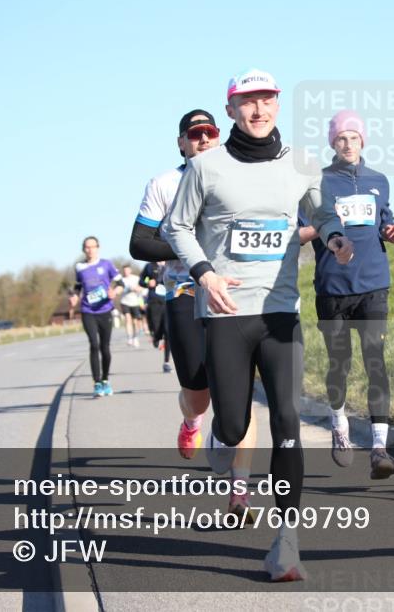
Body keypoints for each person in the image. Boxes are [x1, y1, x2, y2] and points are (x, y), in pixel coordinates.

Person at [162, 69, 354, 582]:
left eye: (267, 99)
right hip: (225, 312)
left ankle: (287, 543)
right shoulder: (206, 167)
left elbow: (323, 213)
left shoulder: (301, 163)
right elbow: (175, 226)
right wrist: (205, 273)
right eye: (247, 101)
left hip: (279, 313)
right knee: (232, 426)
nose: (259, 109)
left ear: (277, 104)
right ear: (231, 110)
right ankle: (220, 437)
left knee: (287, 424)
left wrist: (334, 238)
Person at [130, 109, 260, 523]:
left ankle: (240, 493)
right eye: (194, 134)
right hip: (184, 292)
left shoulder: (237, 178)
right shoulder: (164, 184)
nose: (203, 139)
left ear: (219, 138)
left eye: (210, 133)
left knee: (240, 394)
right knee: (198, 392)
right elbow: (139, 243)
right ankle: (192, 419)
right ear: (182, 143)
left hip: (234, 295)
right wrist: (192, 250)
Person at [298, 110, 394, 480]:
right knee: (339, 364)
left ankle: (379, 448)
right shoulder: (318, 182)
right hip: (333, 287)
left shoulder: (379, 180)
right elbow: (300, 232)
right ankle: (339, 425)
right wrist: (327, 226)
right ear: (332, 143)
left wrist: (393, 233)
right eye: (341, 138)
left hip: (374, 283)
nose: (348, 144)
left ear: (363, 141)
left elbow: (384, 224)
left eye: (354, 137)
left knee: (376, 360)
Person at [69, 236, 123, 397]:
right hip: (88, 311)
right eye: (87, 247)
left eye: (92, 246)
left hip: (105, 310)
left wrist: (115, 292)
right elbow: (78, 286)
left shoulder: (107, 264)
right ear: (83, 249)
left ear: (97, 248)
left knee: (105, 347)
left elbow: (121, 283)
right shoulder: (79, 267)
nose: (90, 250)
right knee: (94, 344)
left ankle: (105, 379)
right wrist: (74, 297)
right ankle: (97, 383)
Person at [140, 261, 172, 371]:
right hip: (154, 302)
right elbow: (141, 281)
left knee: (168, 331)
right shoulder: (149, 266)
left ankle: (166, 362)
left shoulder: (171, 263)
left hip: (169, 300)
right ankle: (156, 336)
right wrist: (147, 283)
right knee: (156, 327)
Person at [119, 265, 146, 347]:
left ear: (130, 270)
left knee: (135, 322)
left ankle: (135, 337)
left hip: (135, 302)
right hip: (125, 302)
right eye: (124, 270)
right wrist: (127, 289)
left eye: (127, 270)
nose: (126, 272)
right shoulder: (121, 280)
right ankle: (129, 338)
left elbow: (142, 288)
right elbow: (119, 290)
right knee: (128, 319)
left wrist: (137, 289)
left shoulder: (136, 278)